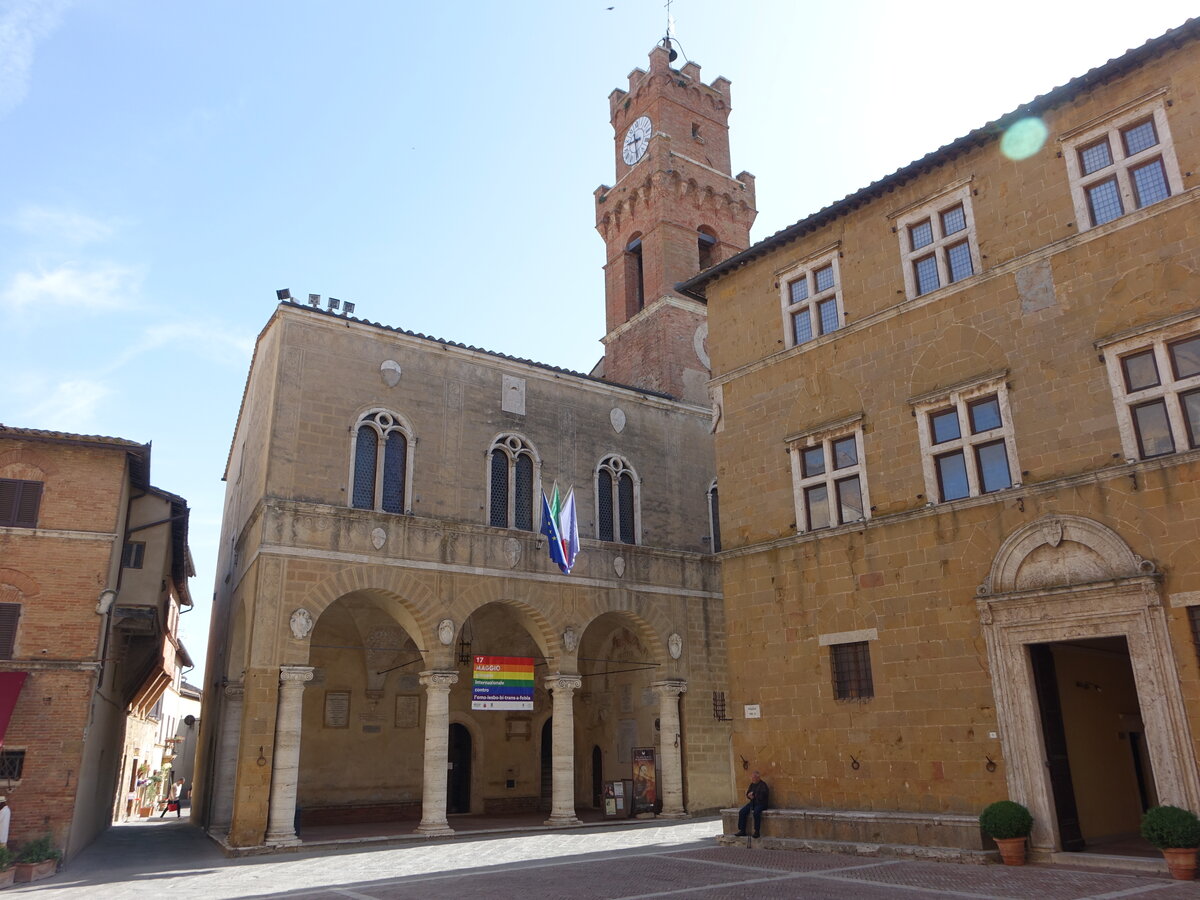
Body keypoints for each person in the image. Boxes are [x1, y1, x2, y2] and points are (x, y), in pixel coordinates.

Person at [735, 770, 769, 838]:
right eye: (752, 777)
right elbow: (748, 793)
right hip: (753, 803)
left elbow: (763, 795)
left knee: (756, 812)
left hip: (761, 804)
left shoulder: (763, 785)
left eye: (754, 777)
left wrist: (754, 795)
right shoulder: (752, 784)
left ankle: (757, 831)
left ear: (758, 777)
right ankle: (742, 830)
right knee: (742, 812)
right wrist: (749, 795)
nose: (752, 779)